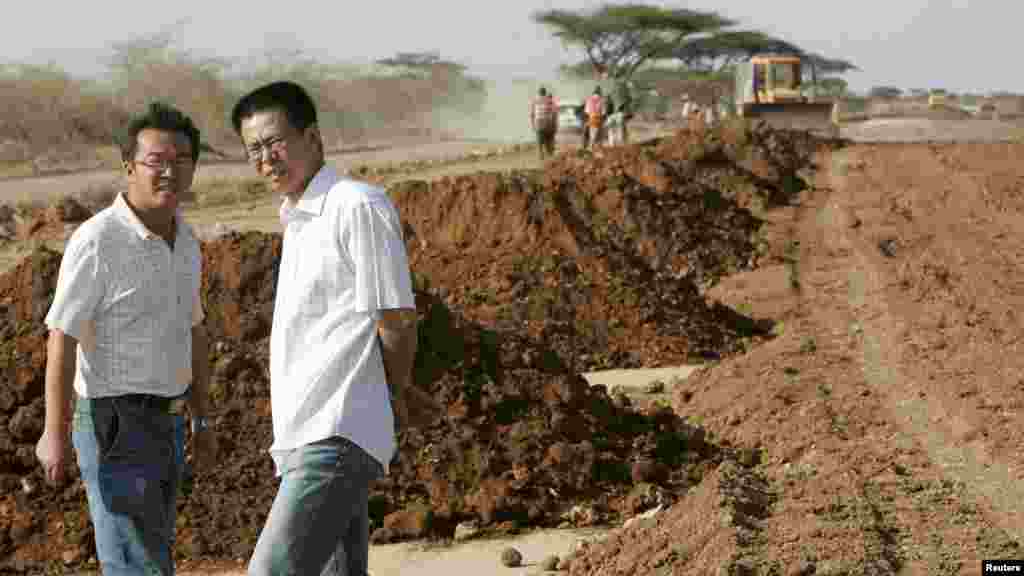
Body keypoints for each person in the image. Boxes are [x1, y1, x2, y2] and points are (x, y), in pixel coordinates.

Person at [231, 81, 419, 576]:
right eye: (254, 149)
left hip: (336, 431)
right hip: (303, 434)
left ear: (312, 137)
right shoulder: (297, 219)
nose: (266, 159)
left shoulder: (355, 206)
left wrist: (394, 395)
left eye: (276, 142)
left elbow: (395, 318)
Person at [35, 101, 214, 576]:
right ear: (129, 167)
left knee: (150, 556)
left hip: (169, 421)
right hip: (115, 423)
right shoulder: (98, 240)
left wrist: (202, 414)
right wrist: (54, 432)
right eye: (156, 160)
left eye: (181, 161)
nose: (169, 172)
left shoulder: (187, 240)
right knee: (138, 565)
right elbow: (62, 337)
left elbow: (194, 330)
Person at [530, 86, 558, 160]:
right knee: (549, 141)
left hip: (538, 124)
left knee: (540, 142)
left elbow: (532, 115)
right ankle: (550, 155)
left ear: (539, 93)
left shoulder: (535, 101)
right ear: (545, 93)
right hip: (548, 124)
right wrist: (555, 125)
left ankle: (541, 155)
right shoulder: (550, 101)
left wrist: (533, 125)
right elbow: (554, 113)